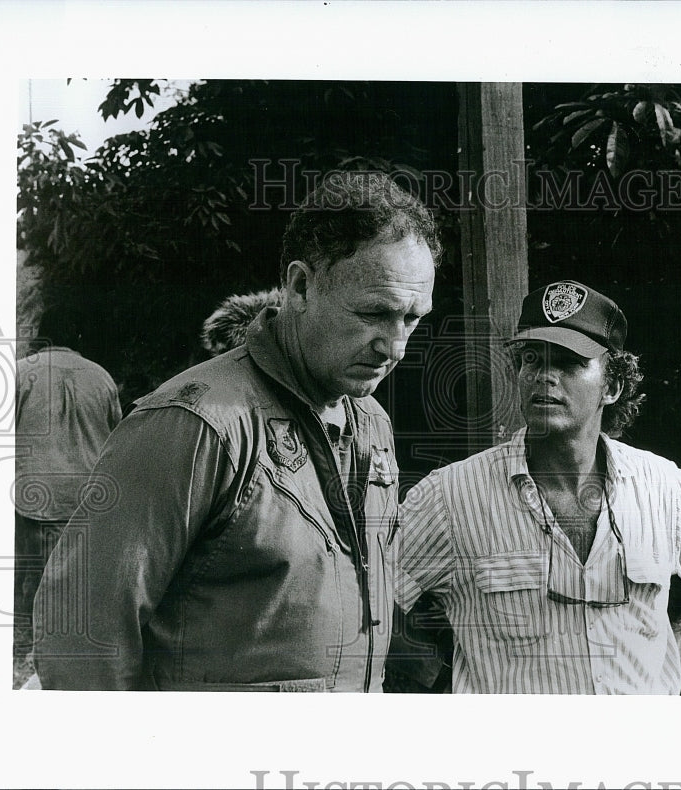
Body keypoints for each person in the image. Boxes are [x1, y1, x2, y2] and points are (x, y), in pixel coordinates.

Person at [33, 171, 439, 691]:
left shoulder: (372, 422)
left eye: (412, 319)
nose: (395, 347)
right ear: (299, 286)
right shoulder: (193, 424)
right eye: (374, 314)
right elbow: (81, 633)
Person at [394, 280, 681, 693]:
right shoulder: (452, 496)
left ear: (613, 385)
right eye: (531, 358)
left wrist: (679, 654)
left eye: (568, 362)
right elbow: (369, 598)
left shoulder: (661, 487)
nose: (544, 375)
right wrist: (437, 678)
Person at [14, 310, 122, 668]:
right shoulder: (101, 376)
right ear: (77, 339)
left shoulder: (20, 372)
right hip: (87, 497)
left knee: (36, 578)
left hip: (36, 494)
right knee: (76, 578)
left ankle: (35, 652)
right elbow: (116, 436)